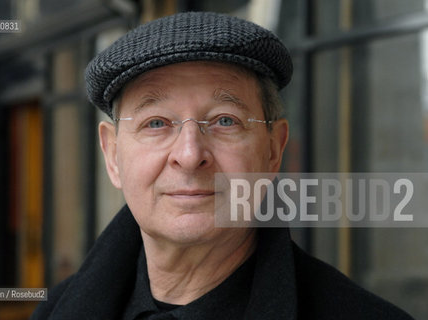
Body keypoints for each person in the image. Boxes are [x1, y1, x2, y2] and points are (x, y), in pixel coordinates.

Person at [31, 11, 413, 319]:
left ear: (272, 151)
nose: (190, 154)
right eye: (156, 123)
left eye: (225, 121)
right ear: (112, 155)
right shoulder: (55, 310)